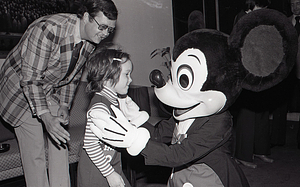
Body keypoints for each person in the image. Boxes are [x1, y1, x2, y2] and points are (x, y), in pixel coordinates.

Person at [0, 0, 118, 186]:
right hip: (19, 91)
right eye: (102, 27)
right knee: (35, 151)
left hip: (46, 88)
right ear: (86, 17)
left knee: (60, 143)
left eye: (109, 30)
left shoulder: (90, 41)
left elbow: (73, 75)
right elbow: (30, 79)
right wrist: (46, 117)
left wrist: (64, 104)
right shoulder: (48, 30)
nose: (105, 34)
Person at [77, 48, 149, 187]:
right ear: (108, 77)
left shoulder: (112, 100)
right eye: (126, 75)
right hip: (96, 173)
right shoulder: (100, 107)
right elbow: (90, 145)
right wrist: (109, 174)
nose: (131, 79)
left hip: (111, 164)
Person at [233, 0, 275, 169]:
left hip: (263, 71)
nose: (264, 11)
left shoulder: (263, 17)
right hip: (247, 72)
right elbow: (238, 45)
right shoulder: (242, 18)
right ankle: (242, 155)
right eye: (261, 7)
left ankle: (260, 150)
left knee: (262, 111)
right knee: (248, 114)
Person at [288, 0, 300, 149]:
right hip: (288, 72)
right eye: (292, 4)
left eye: (298, 3)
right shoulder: (285, 21)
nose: (295, 7)